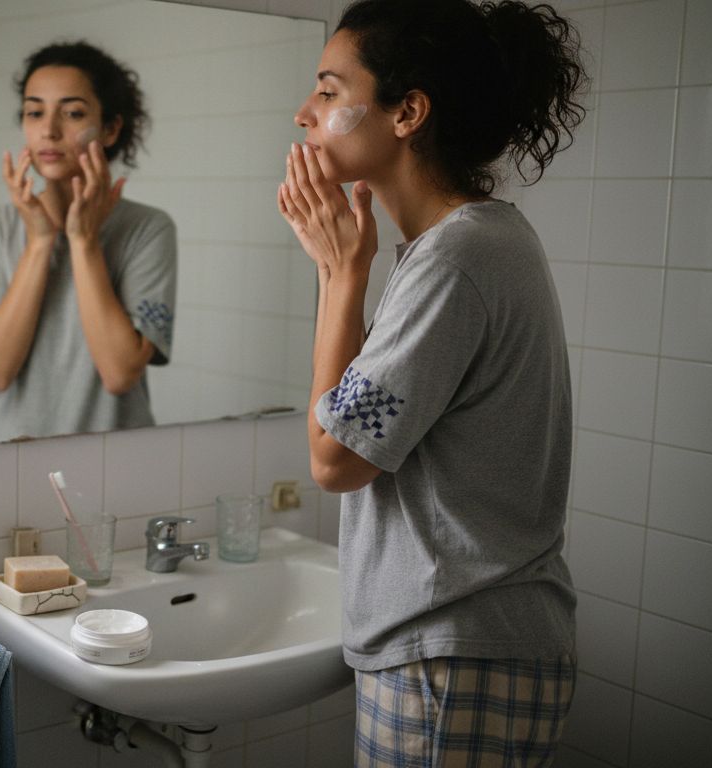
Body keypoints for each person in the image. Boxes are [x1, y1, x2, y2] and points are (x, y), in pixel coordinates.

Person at [278, 0, 587, 763]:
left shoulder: (455, 261)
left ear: (407, 112)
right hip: (474, 646)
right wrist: (344, 270)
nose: (303, 113)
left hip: (456, 654)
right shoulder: (475, 241)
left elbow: (334, 460)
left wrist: (340, 274)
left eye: (327, 90)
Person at [0, 41, 176, 444]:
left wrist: (83, 242)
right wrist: (40, 243)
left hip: (118, 463)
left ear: (111, 128)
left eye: (73, 112)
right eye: (34, 111)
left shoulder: (148, 229)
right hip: (8, 463)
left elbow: (120, 372)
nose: (49, 130)